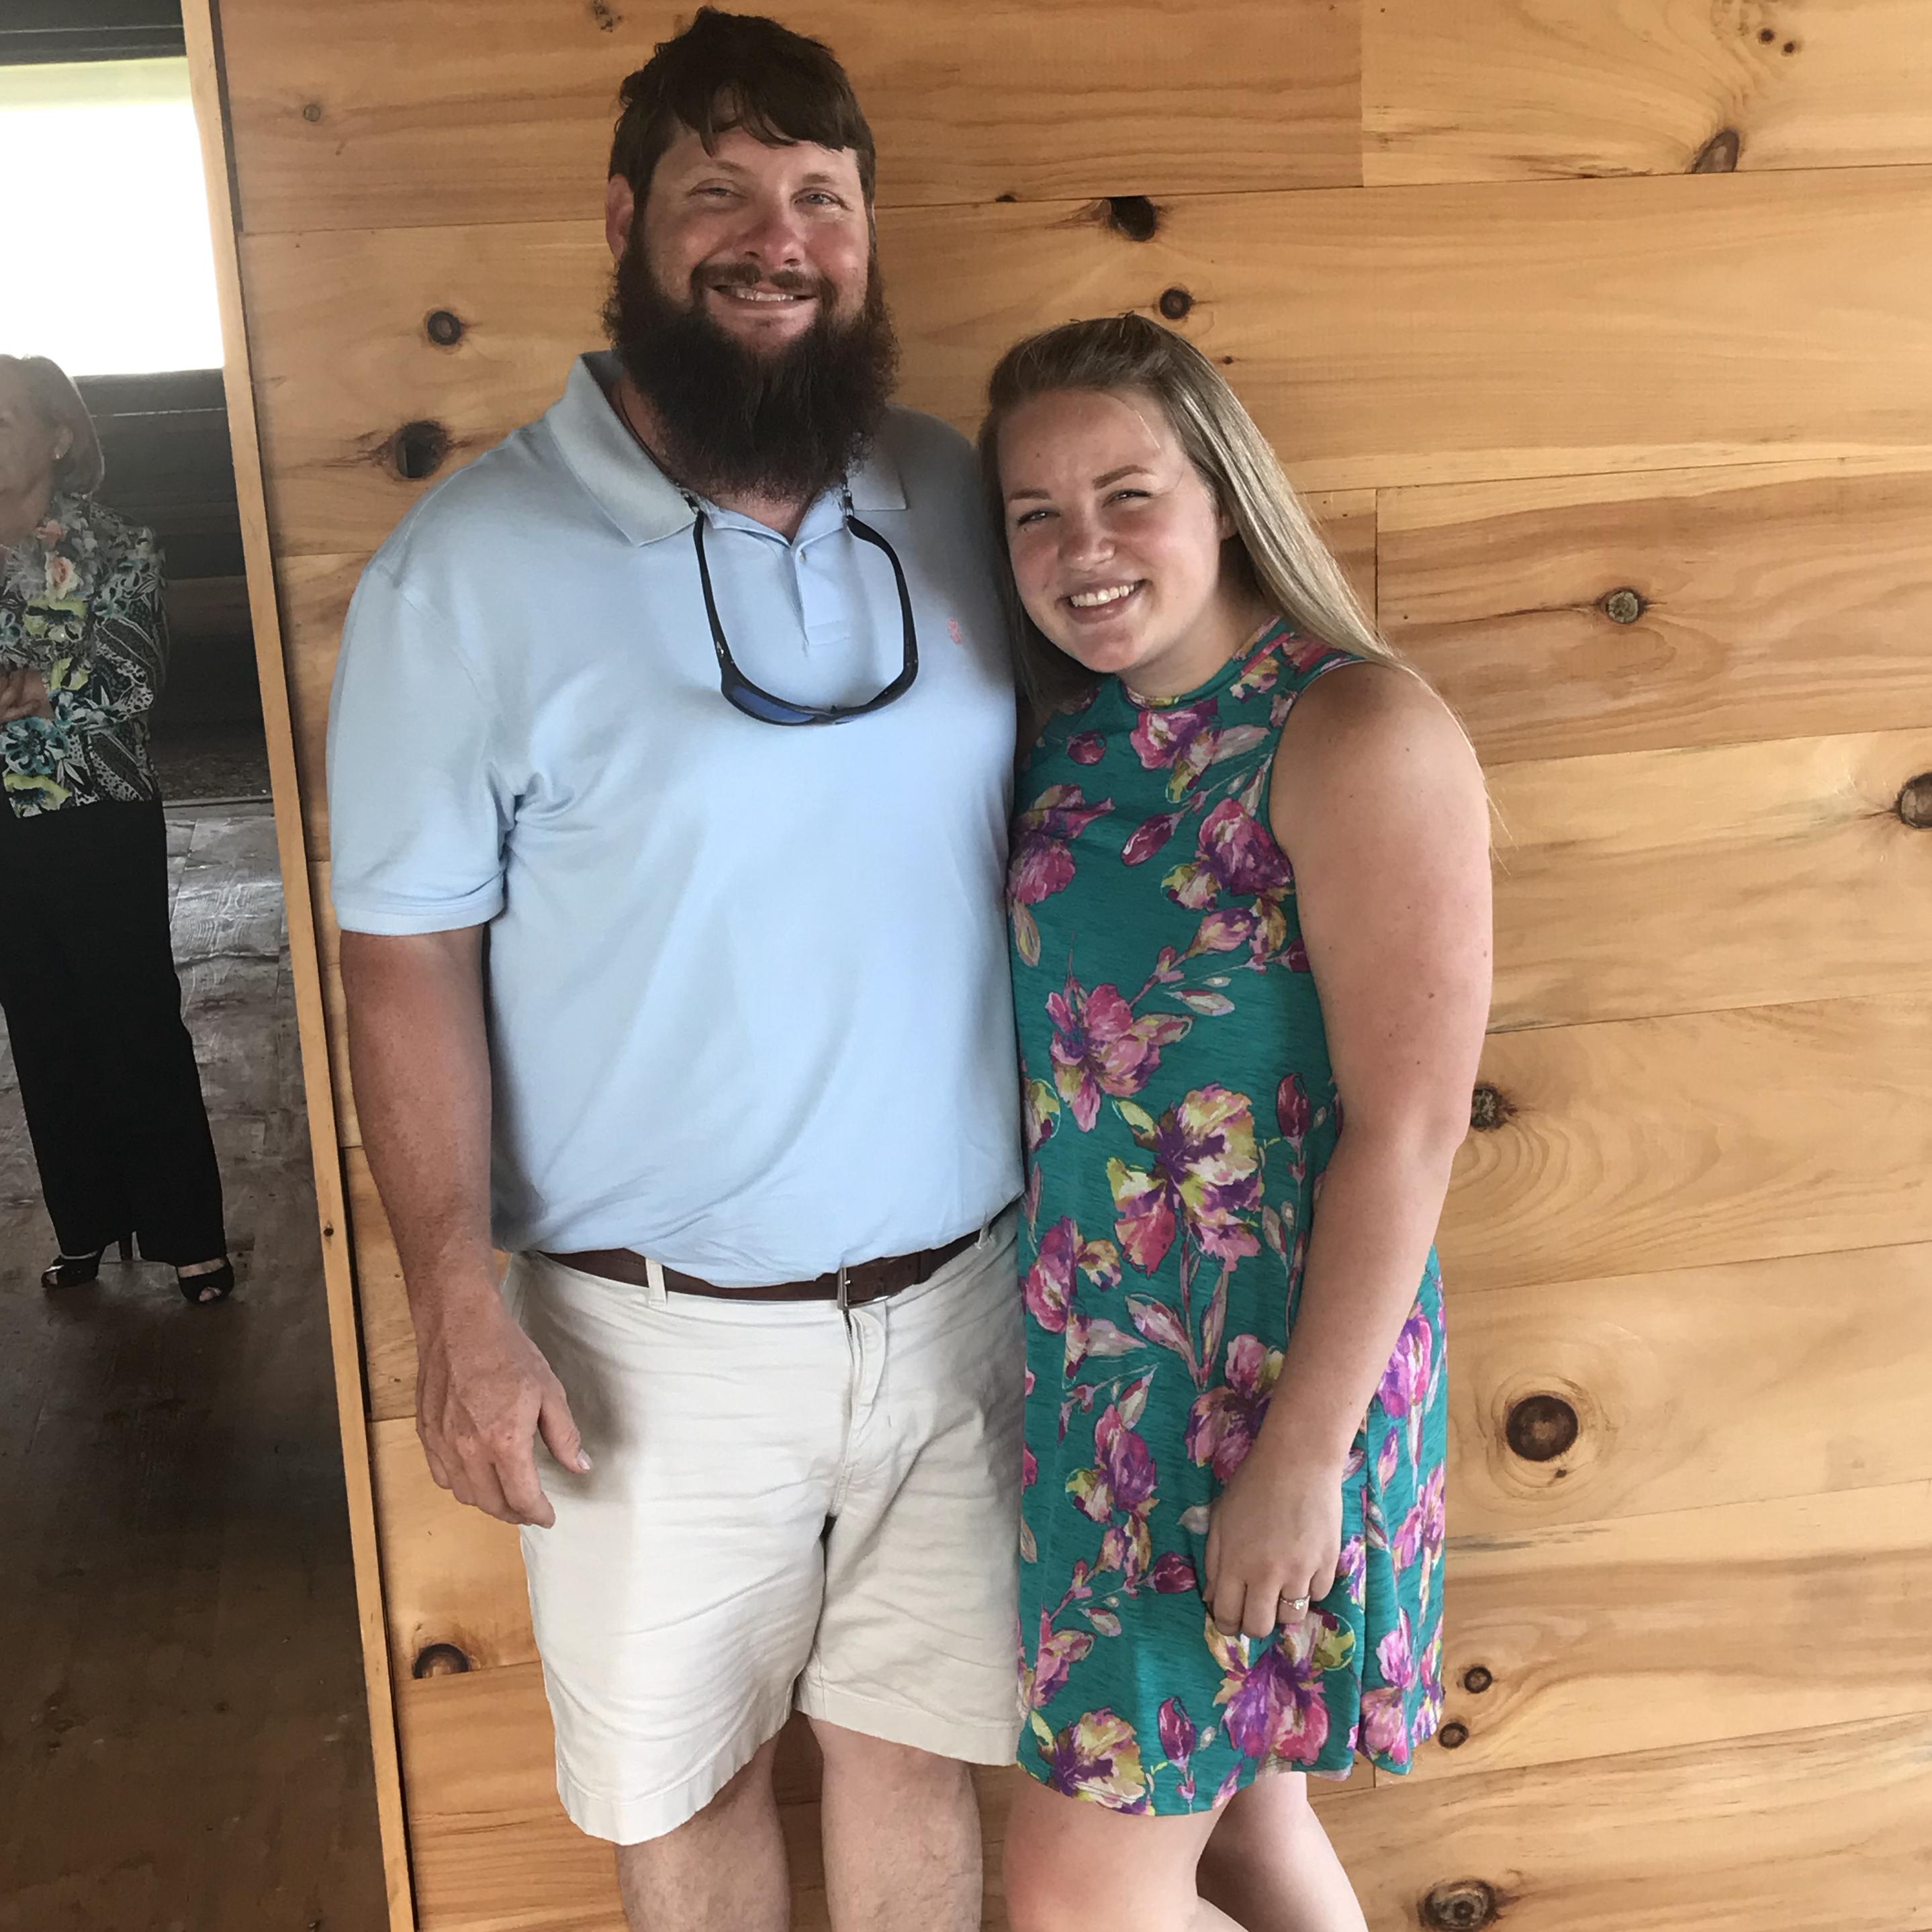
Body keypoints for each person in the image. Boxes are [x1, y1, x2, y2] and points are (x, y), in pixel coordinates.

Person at [326, 13, 1023, 1931]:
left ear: (866, 235)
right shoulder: (460, 570)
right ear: (626, 219)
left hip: (964, 1302)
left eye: (820, 197)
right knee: (687, 1786)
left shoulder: (954, 492)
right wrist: (450, 1299)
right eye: (721, 190)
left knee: (914, 1759)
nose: (775, 239)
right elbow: (401, 960)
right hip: (646, 1344)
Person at [982, 315, 1492, 1931]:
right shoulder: (1073, 736)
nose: (1082, 548)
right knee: (1248, 1833)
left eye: (1126, 495)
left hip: (1269, 1390)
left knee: (1079, 1897)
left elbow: (1408, 1128)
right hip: (1100, 1382)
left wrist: (1302, 1456)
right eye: (1035, 513)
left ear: (1221, 495)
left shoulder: (1352, 731)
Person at [0, 353, 232, 1305]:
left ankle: (189, 1235)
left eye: (3, 419)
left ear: (57, 437)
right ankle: (86, 1225)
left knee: (133, 1020)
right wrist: (42, 690)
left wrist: (28, 687)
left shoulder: (117, 545)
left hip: (98, 814)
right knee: (40, 1029)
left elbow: (131, 677)